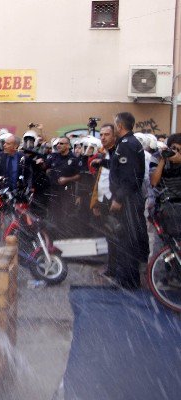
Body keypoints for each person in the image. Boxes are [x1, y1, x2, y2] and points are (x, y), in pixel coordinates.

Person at [109, 112, 149, 289]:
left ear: (119, 126)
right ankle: (124, 277)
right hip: (128, 197)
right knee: (124, 237)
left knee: (128, 239)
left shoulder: (127, 145)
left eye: (114, 124)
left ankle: (128, 280)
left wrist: (118, 198)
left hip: (128, 200)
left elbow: (130, 176)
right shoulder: (127, 143)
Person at [89, 124, 118, 278]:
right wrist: (97, 202)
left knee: (115, 236)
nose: (103, 137)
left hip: (114, 202)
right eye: (101, 134)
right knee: (109, 236)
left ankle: (114, 268)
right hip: (104, 201)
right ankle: (111, 266)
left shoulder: (116, 154)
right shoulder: (106, 154)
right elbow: (101, 180)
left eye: (107, 134)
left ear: (114, 136)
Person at [44, 136, 80, 239]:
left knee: (66, 215)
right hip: (54, 191)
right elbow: (45, 167)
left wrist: (67, 179)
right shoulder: (54, 156)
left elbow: (79, 176)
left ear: (68, 145)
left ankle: (67, 238)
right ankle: (56, 239)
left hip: (67, 192)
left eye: (61, 144)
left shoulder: (74, 158)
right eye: (58, 144)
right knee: (55, 216)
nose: (58, 145)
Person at [150, 134, 181, 243]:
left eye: (179, 150)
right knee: (162, 246)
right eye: (173, 148)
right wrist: (163, 160)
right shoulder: (157, 156)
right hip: (165, 209)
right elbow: (153, 181)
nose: (175, 152)